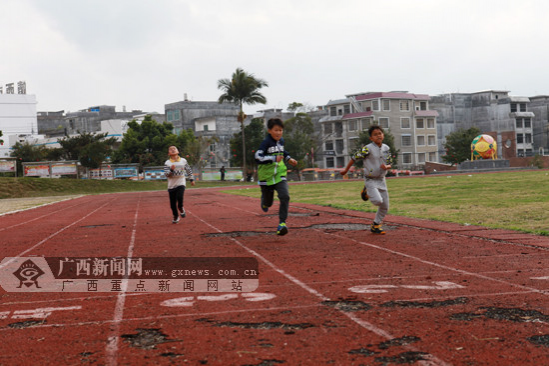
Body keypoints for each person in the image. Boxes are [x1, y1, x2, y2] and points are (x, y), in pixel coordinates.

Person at [340, 125, 393, 234]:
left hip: (382, 179)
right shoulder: (367, 148)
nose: (378, 136)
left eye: (380, 133)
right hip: (370, 179)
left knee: (385, 206)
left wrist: (387, 167)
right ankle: (367, 190)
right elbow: (354, 158)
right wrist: (346, 170)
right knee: (377, 201)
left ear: (383, 135)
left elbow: (389, 163)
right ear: (371, 138)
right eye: (375, 134)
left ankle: (376, 225)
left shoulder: (386, 148)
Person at [255, 118, 298, 235]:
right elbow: (257, 157)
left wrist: (289, 159)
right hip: (266, 177)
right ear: (269, 131)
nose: (278, 133)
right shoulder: (265, 143)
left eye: (280, 130)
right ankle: (264, 202)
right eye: (276, 130)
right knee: (268, 203)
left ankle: (282, 224)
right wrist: (273, 158)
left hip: (280, 174)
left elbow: (283, 152)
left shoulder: (281, 141)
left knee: (285, 196)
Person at [164, 145, 195, 224]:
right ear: (169, 153)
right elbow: (167, 175)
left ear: (178, 151)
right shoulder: (167, 163)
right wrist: (171, 170)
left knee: (180, 196)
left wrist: (191, 179)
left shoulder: (183, 160)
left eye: (174, 148)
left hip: (181, 182)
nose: (173, 149)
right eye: (171, 149)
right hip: (171, 185)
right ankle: (176, 216)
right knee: (172, 204)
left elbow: (188, 170)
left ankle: (180, 207)